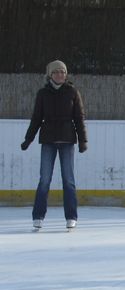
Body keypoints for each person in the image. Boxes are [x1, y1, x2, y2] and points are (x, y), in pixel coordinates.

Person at [21, 59, 88, 231]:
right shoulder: (43, 93)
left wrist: (83, 140)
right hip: (48, 140)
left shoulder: (72, 92)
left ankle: (71, 216)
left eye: (63, 72)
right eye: (57, 72)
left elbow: (79, 118)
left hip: (67, 140)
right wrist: (28, 139)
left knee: (68, 180)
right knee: (44, 179)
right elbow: (36, 118)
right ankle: (38, 216)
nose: (60, 75)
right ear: (50, 74)